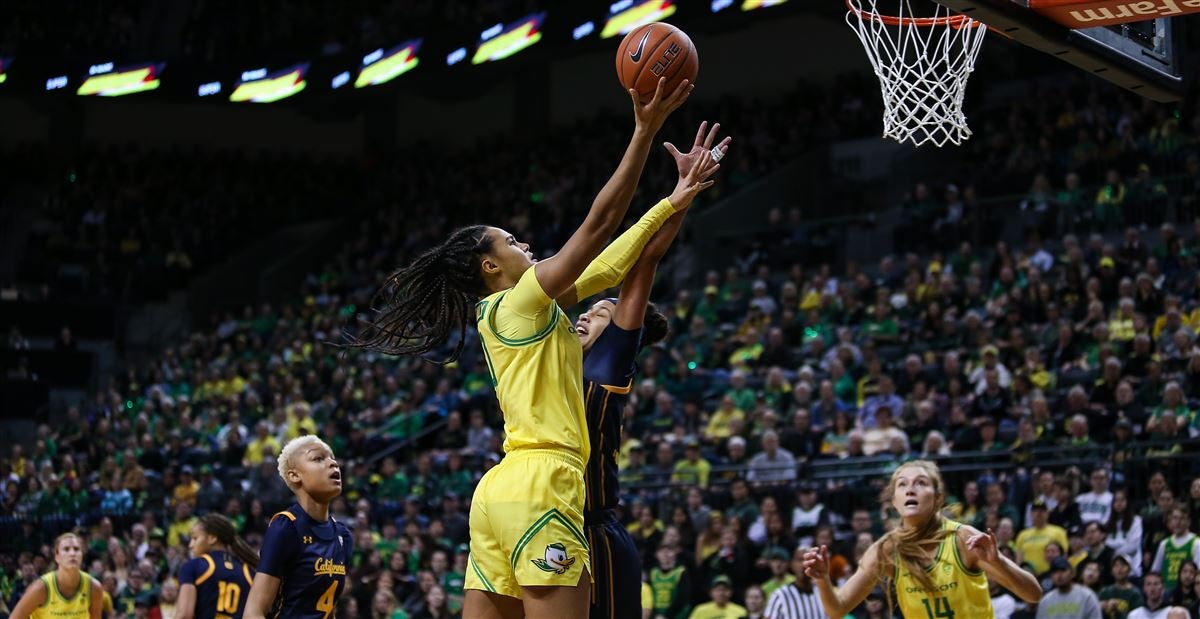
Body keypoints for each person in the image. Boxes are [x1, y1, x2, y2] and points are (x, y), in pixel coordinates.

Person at [349, 75, 707, 619]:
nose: (525, 245)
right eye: (511, 242)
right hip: (544, 481)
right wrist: (643, 131)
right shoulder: (517, 303)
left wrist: (672, 202)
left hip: (498, 492)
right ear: (490, 267)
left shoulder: (520, 309)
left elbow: (610, 264)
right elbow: (599, 225)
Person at [575, 120, 731, 619]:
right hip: (549, 522)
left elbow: (645, 262)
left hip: (596, 528)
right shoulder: (553, 361)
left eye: (600, 312)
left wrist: (681, 194)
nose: (585, 313)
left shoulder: (612, 355)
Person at [803, 460, 1042, 618]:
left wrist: (998, 561)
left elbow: (1033, 594)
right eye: (903, 485)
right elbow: (836, 609)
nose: (910, 489)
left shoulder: (963, 539)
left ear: (937, 498)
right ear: (895, 502)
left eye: (920, 483)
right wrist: (823, 580)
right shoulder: (885, 550)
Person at [244, 436, 353, 619]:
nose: (333, 464)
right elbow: (253, 612)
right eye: (318, 458)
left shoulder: (343, 535)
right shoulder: (286, 526)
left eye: (333, 458)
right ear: (295, 475)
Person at [177, 514, 258, 619]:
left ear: (212, 538)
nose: (190, 545)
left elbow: (184, 615)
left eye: (195, 538)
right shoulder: (249, 572)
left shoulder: (193, 566)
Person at [9, 532, 104, 619]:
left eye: (76, 549)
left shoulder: (94, 588)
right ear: (57, 557)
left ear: (82, 555)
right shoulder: (40, 588)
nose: (72, 553)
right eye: (66, 549)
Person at [765, 548, 824, 619]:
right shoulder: (779, 595)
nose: (803, 564)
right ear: (792, 564)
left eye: (808, 560)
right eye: (799, 560)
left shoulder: (824, 593)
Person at [1036, 557, 1101, 619]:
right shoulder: (1046, 601)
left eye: (1063, 570)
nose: (1059, 575)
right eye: (1055, 572)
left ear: (1072, 573)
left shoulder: (1087, 596)